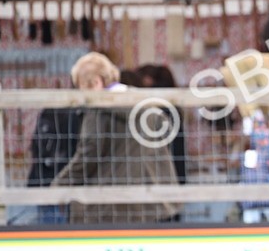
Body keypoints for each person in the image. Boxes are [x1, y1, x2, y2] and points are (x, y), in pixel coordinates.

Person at [52, 53, 180, 224]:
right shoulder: (144, 102)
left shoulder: (97, 109)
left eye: (80, 86)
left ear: (95, 82)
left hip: (111, 207)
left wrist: (58, 186)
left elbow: (89, 153)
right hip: (154, 203)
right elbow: (165, 132)